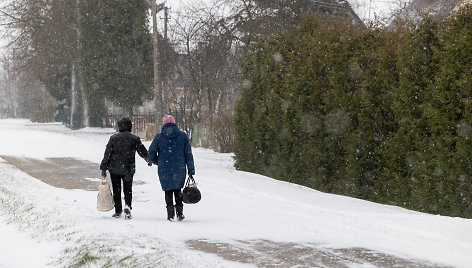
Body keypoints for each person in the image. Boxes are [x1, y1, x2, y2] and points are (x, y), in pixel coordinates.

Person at [100, 117, 152, 219]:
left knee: (117, 190)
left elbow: (107, 154)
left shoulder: (113, 138)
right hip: (128, 168)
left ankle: (118, 210)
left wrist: (103, 168)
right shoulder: (134, 138)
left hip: (114, 169)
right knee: (128, 189)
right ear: (130, 126)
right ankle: (127, 206)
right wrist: (148, 159)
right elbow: (142, 151)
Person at [148, 115, 195, 221]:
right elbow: (188, 154)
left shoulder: (159, 137)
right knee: (178, 189)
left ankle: (170, 215)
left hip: (164, 168)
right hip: (179, 167)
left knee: (168, 190)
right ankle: (180, 213)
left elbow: (151, 152)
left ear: (163, 124)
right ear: (174, 123)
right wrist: (191, 170)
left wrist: (158, 161)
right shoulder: (182, 136)